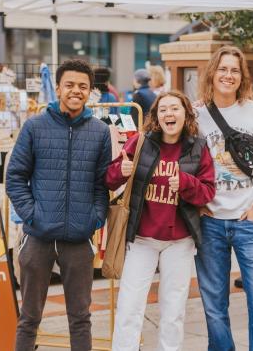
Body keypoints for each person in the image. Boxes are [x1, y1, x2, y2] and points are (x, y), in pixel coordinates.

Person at [6, 59, 112, 351]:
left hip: (78, 239)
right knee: (29, 318)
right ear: (58, 88)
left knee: (80, 318)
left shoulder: (100, 131)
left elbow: (102, 184)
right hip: (38, 237)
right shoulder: (35, 126)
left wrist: (95, 218)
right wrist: (33, 215)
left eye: (82, 86)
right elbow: (15, 177)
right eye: (70, 85)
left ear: (90, 91)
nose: (76, 91)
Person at [105, 90, 216, 351]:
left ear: (186, 114)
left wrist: (186, 183)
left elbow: (208, 191)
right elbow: (109, 178)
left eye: (175, 108)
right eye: (163, 109)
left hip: (179, 241)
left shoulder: (198, 146)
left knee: (173, 310)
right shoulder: (141, 142)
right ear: (156, 116)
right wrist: (119, 172)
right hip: (142, 239)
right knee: (129, 306)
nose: (169, 114)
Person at [194, 45, 253, 351]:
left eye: (234, 70)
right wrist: (197, 203)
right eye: (222, 69)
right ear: (212, 73)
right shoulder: (196, 116)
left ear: (242, 76)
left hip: (250, 221)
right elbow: (181, 163)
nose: (228, 75)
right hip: (210, 224)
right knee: (213, 304)